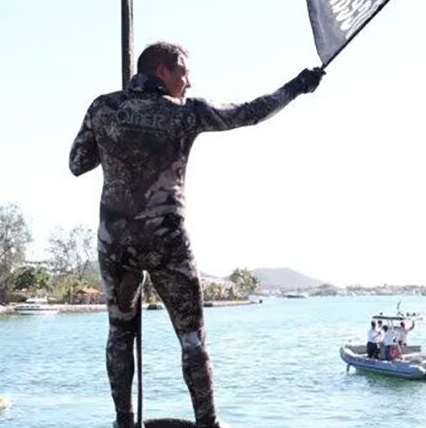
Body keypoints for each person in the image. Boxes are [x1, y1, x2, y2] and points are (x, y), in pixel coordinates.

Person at [69, 42, 324, 428]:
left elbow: (77, 163)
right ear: (162, 72)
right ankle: (208, 423)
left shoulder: (103, 108)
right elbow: (249, 112)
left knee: (119, 332)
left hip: (115, 241)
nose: (188, 82)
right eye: (183, 72)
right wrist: (298, 86)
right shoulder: (186, 114)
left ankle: (123, 421)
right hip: (165, 240)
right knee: (191, 339)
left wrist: (117, 140)